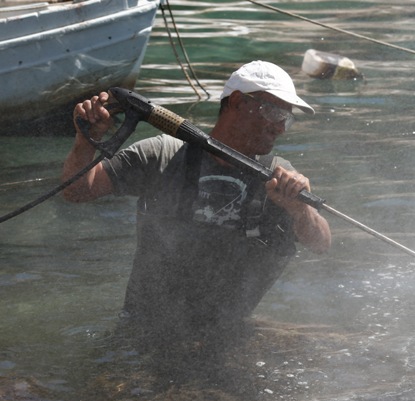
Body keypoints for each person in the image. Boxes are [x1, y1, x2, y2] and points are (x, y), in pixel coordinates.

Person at [61, 61, 331, 348]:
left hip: (226, 336)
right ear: (238, 102)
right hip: (145, 332)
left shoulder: (278, 179)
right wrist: (86, 140)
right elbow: (76, 191)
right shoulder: (162, 155)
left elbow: (321, 243)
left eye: (286, 119)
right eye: (274, 112)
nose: (280, 128)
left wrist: (299, 208)